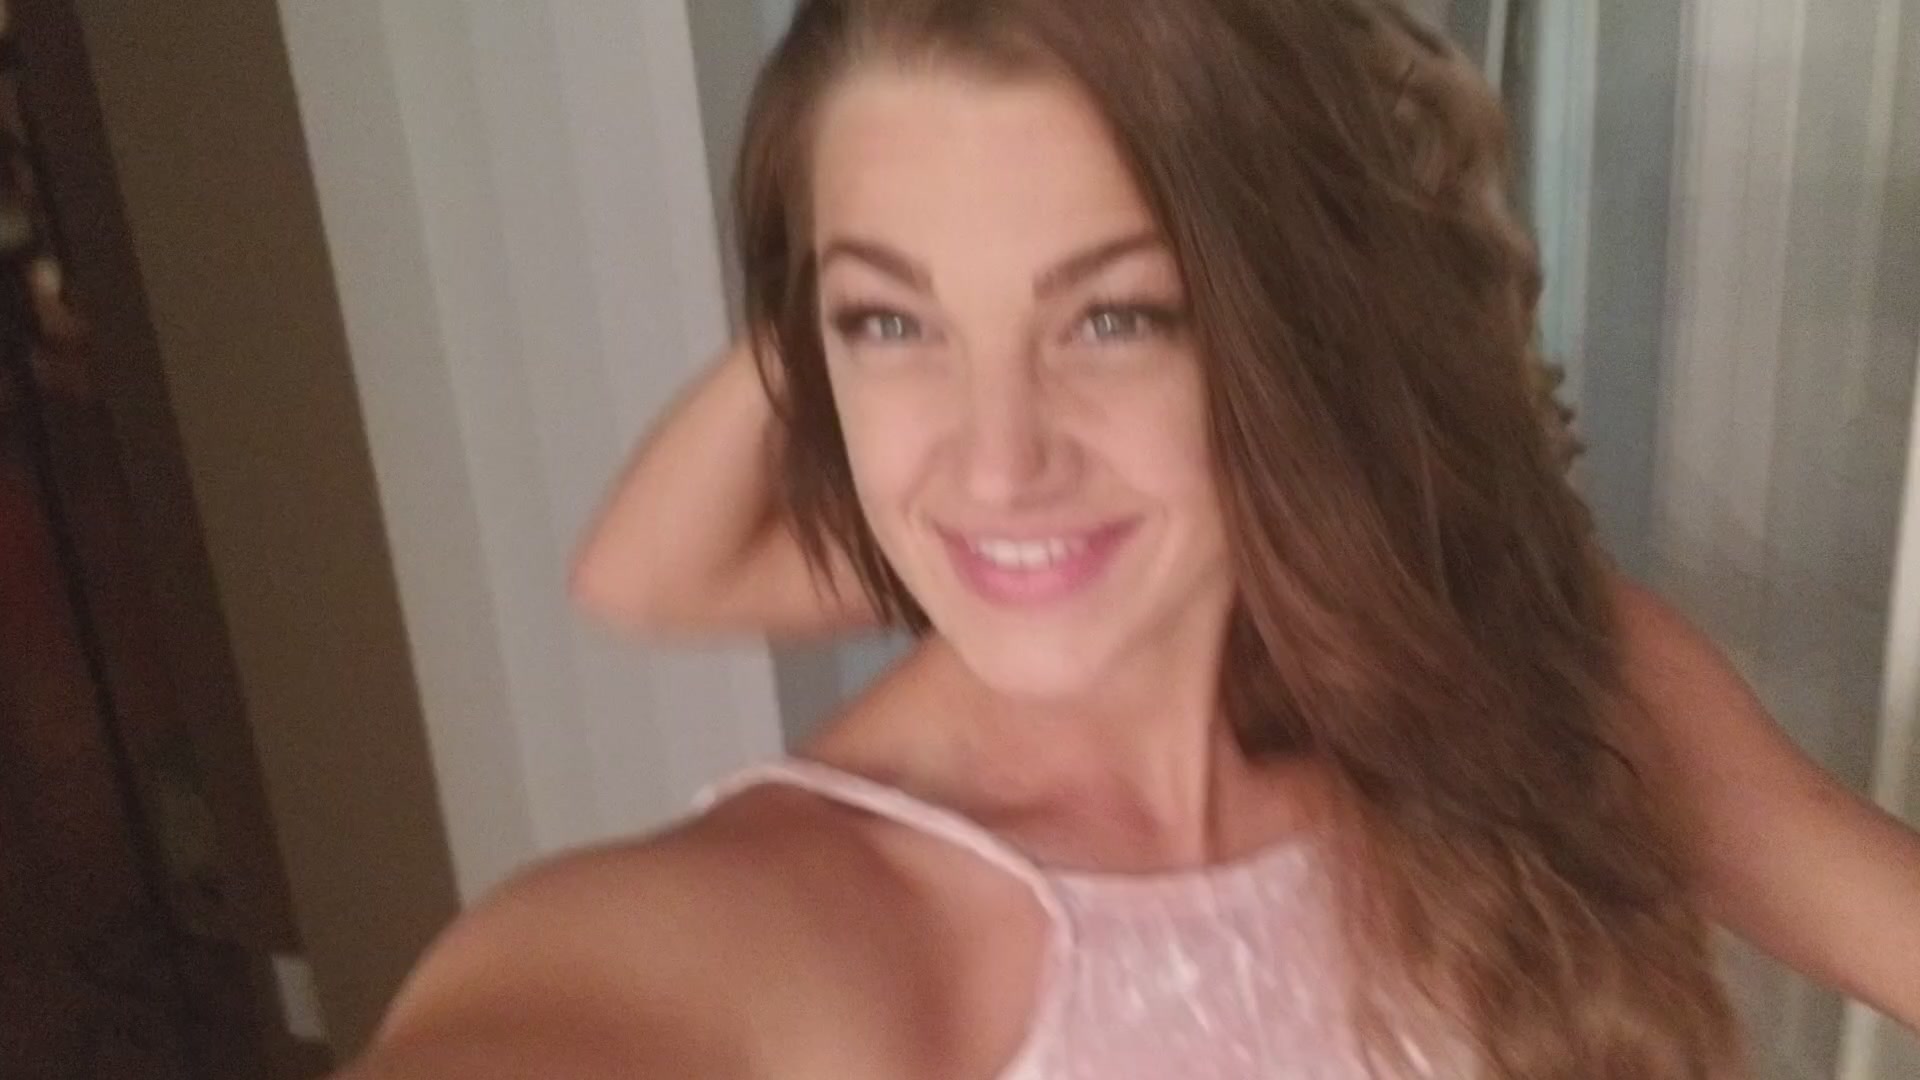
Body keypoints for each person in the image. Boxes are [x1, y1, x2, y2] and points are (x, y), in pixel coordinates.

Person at [340, 2, 1916, 1078]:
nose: (999, 460)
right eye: (886, 319)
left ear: (1307, 331)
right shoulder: (799, 927)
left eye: (1115, 316)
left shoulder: (1547, 675)